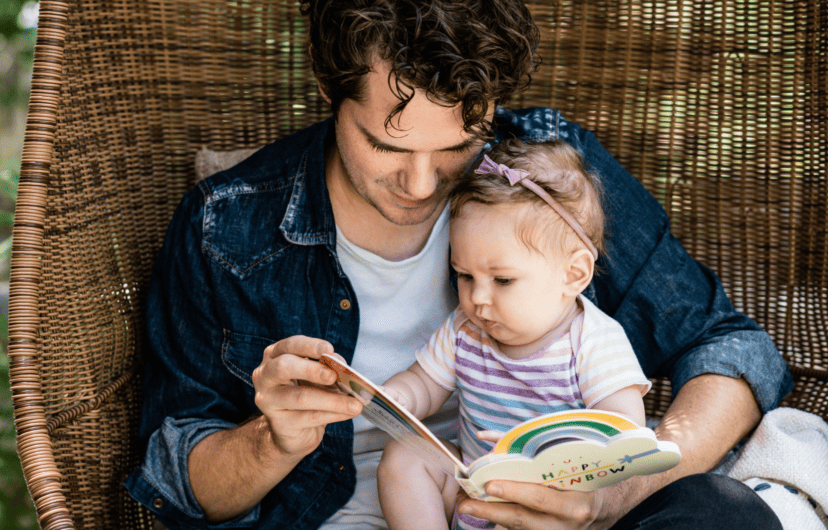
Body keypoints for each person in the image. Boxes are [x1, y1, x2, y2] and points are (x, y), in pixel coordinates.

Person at [123, 1, 793, 529]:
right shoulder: (227, 224)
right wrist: (275, 440)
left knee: (724, 514)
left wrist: (620, 493)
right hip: (354, 509)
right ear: (331, 90)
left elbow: (731, 345)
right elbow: (180, 478)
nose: (421, 185)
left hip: (563, 501)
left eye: (458, 145)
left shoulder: (545, 178)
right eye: (388, 145)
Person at [375, 139, 652, 530]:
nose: (477, 298)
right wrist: (398, 398)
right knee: (404, 456)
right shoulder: (465, 330)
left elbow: (624, 431)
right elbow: (424, 383)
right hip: (472, 488)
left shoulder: (592, 341)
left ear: (573, 275)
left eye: (502, 279)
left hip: (548, 506)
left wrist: (573, 458)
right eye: (465, 275)